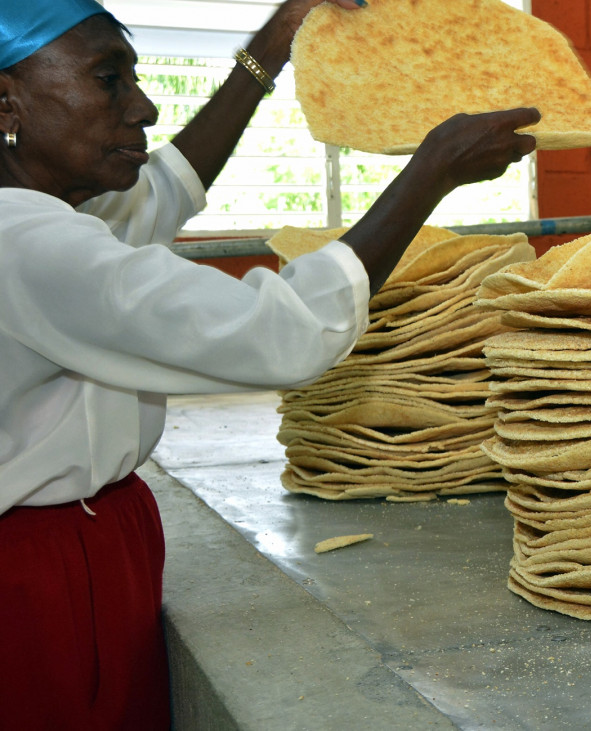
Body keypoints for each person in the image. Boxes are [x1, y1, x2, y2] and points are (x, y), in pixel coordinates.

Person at [0, 1, 540, 727]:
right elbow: (281, 330)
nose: (144, 106)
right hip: (39, 575)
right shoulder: (29, 247)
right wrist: (430, 173)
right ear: (6, 102)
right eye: (108, 79)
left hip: (91, 540)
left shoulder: (50, 216)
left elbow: (165, 187)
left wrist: (279, 38)